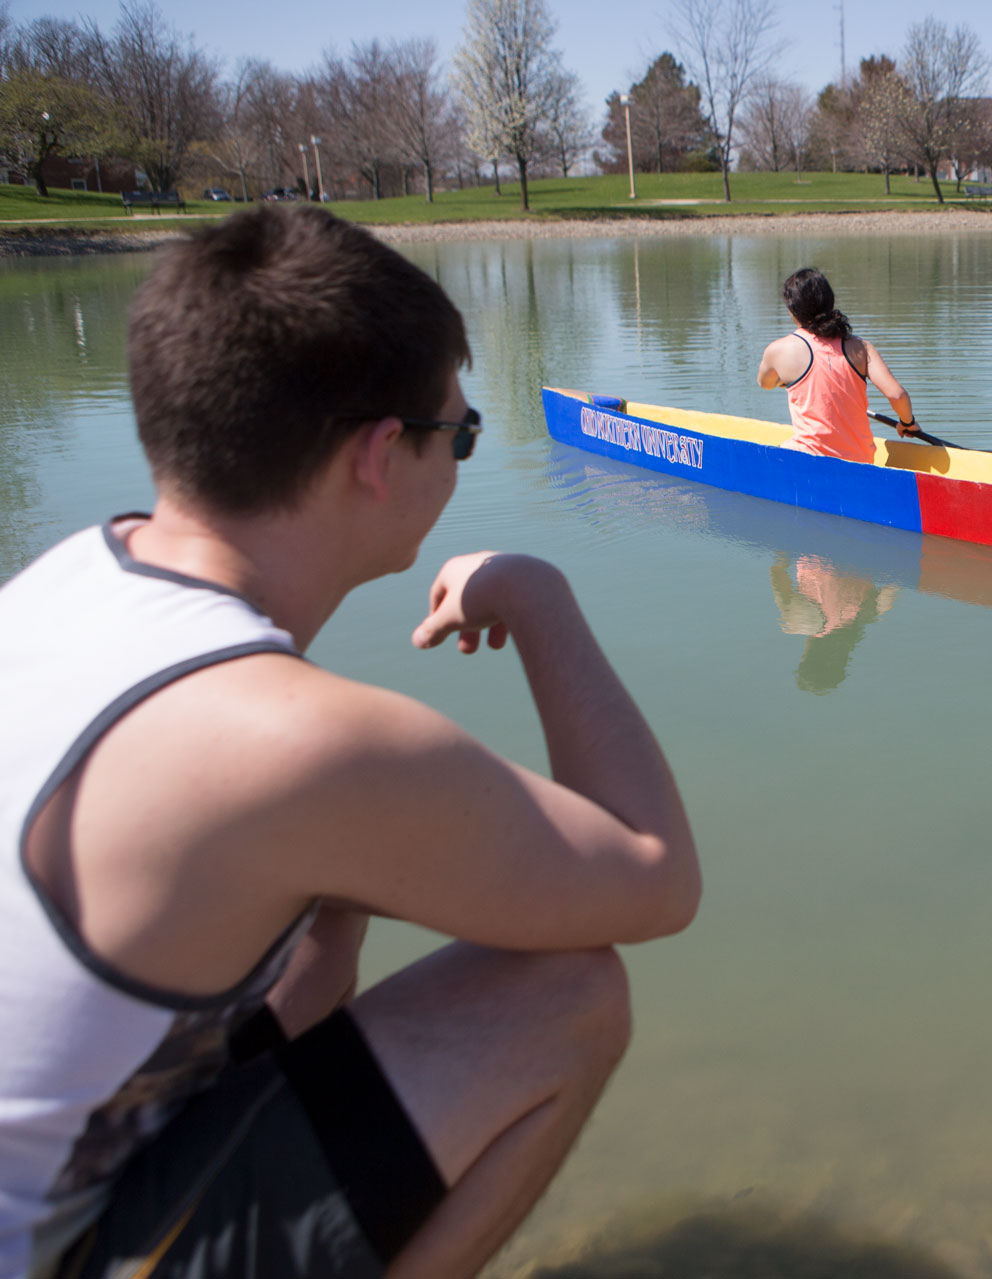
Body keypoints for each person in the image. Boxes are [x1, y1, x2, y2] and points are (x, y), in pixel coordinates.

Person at [0, 205, 701, 1279]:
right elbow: (655, 876)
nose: (463, 453)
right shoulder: (282, 736)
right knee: (568, 993)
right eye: (459, 433)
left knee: (329, 911)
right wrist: (538, 595)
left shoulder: (66, 581)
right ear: (382, 454)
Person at [756, 266, 919, 463]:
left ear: (792, 310)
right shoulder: (861, 347)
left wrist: (782, 380)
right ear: (829, 302)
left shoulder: (778, 351)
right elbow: (897, 395)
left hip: (808, 461)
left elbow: (765, 383)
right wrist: (907, 422)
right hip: (861, 461)